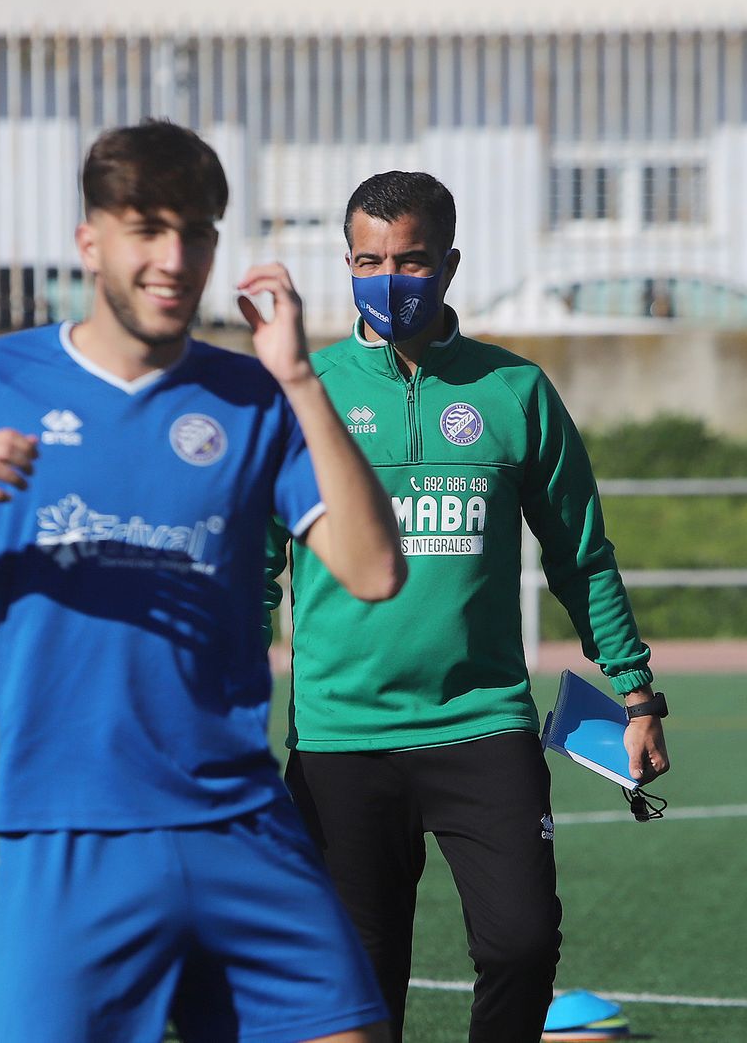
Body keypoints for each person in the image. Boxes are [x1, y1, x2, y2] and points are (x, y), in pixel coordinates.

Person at [0, 120, 406, 1043]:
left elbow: (375, 569)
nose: (174, 258)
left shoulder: (254, 394)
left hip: (241, 823)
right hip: (68, 836)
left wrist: (302, 380)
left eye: (196, 233)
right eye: (148, 229)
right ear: (90, 242)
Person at [265, 170, 671, 1043]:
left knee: (524, 944)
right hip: (341, 736)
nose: (388, 279)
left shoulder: (514, 393)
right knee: (359, 985)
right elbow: (254, 572)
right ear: (346, 262)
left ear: (448, 265)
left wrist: (637, 694)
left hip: (481, 724)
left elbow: (581, 555)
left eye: (409, 262)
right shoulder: (307, 394)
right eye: (368, 261)